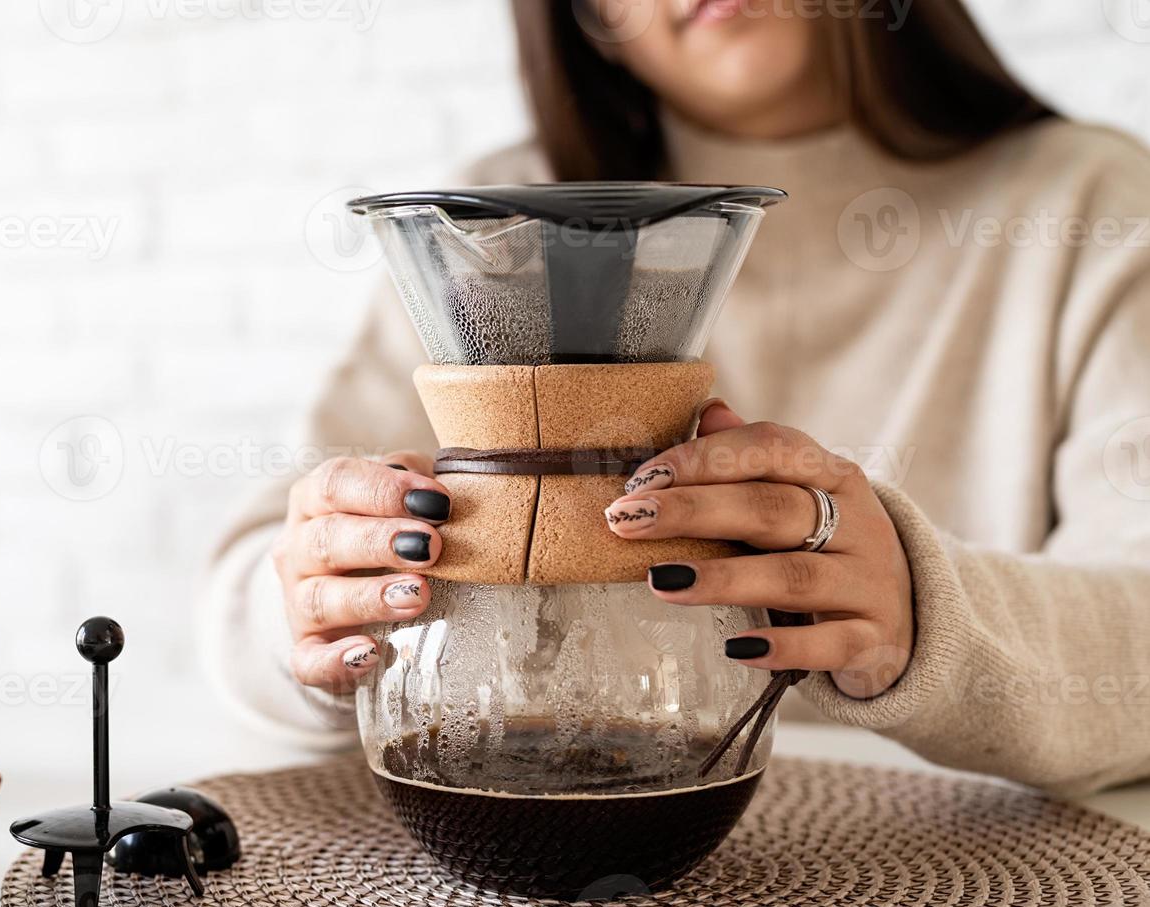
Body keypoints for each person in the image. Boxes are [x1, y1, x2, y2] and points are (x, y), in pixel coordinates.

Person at [200, 0, 1150, 794]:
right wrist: (312, 610)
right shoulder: (485, 228)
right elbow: (259, 584)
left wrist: (927, 621)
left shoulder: (1096, 206)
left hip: (981, 861)